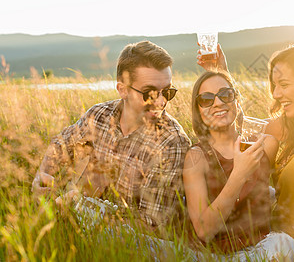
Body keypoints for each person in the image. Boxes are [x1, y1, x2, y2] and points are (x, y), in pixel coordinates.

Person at [197, 45, 294, 261]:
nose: (276, 94)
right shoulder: (293, 125)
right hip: (274, 243)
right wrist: (222, 74)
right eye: (275, 86)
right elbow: (246, 126)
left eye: (284, 85)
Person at [31, 40, 191, 233]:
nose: (161, 101)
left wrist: (80, 207)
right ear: (123, 89)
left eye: (167, 91)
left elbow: (153, 226)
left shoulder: (172, 142)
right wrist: (42, 176)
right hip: (78, 228)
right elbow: (60, 144)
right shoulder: (99, 115)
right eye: (149, 93)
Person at [183, 70, 294, 260]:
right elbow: (204, 231)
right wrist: (239, 174)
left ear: (236, 100)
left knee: (285, 243)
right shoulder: (196, 158)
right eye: (206, 99)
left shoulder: (264, 145)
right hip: (217, 255)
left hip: (264, 249)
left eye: (225, 95)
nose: (218, 103)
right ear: (199, 110)